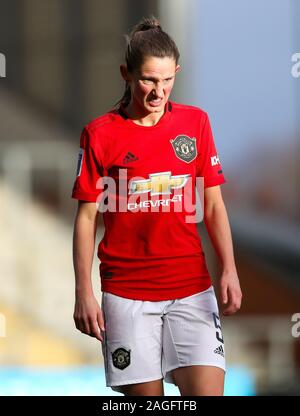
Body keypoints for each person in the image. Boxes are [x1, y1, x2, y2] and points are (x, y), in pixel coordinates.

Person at [71, 16, 242, 396]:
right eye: (148, 79)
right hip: (127, 294)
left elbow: (212, 205)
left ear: (177, 72)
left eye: (167, 79)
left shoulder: (196, 123)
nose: (158, 91)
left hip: (192, 289)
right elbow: (86, 219)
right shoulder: (100, 134)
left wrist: (228, 269)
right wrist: (84, 290)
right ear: (126, 74)